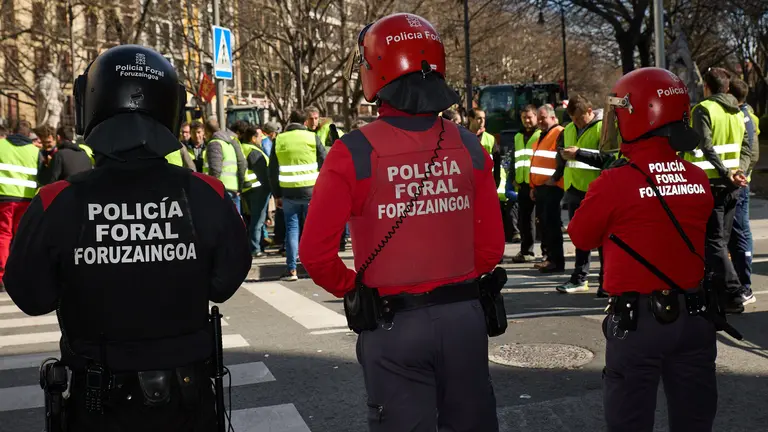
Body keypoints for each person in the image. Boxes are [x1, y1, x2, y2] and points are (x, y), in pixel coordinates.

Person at [2, 45, 251, 431]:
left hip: (98, 405)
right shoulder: (208, 194)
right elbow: (224, 282)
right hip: (188, 404)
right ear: (172, 106)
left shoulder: (56, 201)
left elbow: (31, 295)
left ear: (89, 104)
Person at [299, 13, 504, 431]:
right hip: (465, 318)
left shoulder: (352, 151)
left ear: (376, 71)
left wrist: (354, 289)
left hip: (393, 324)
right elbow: (490, 249)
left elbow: (315, 255)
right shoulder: (468, 144)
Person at [568, 67, 717, 432]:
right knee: (695, 419)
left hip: (638, 324)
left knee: (629, 420)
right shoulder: (697, 177)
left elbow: (581, 237)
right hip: (695, 316)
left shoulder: (614, 182)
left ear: (637, 116)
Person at [683, 67, 753, 313]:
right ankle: (724, 296)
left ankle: (734, 291)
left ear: (707, 88)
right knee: (720, 242)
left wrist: (725, 172)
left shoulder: (703, 109)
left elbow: (705, 145)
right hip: (733, 185)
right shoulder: (737, 112)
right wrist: (739, 171)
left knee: (713, 243)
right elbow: (747, 147)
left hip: (711, 184)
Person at [551, 94, 605, 295]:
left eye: (579, 118)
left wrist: (579, 153)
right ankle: (579, 278)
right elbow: (562, 157)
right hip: (574, 189)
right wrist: (559, 169)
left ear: (589, 111)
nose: (576, 122)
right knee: (580, 237)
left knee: (600, 238)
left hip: (596, 190)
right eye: (573, 119)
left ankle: (605, 281)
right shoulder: (569, 129)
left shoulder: (602, 128)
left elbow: (609, 159)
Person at [269, 110, 327, 281]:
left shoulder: (279, 139)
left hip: (288, 193)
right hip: (311, 191)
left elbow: (272, 170)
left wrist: (277, 194)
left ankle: (292, 270)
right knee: (312, 230)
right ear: (304, 122)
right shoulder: (311, 137)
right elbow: (325, 161)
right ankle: (314, 267)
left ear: (289, 121)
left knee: (292, 230)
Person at [728, 78, 760, 303]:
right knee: (737, 233)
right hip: (739, 182)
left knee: (740, 233)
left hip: (739, 184)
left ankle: (744, 286)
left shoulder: (744, 116)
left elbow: (752, 151)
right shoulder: (744, 113)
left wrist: (741, 173)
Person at [0, 121, 39, 291]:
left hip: (4, 197)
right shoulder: (35, 151)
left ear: (12, 132)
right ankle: (22, 273)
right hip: (26, 198)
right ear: (28, 134)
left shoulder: (1, 145)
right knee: (22, 237)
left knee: (3, 235)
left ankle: (1, 276)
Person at [530, 104, 565, 273]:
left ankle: (556, 261)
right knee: (544, 224)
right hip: (541, 188)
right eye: (539, 118)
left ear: (553, 117)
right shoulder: (541, 136)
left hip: (552, 187)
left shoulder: (559, 132)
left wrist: (555, 178)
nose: (540, 121)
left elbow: (562, 159)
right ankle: (550, 258)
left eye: (543, 117)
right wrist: (533, 186)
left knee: (551, 225)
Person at [510, 105, 541, 263]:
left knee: (540, 219)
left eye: (529, 117)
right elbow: (515, 158)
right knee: (524, 220)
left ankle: (546, 253)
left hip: (538, 183)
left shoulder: (540, 135)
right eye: (524, 118)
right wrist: (513, 177)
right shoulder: (518, 136)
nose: (527, 120)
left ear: (536, 117)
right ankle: (526, 251)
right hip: (523, 184)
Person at [240, 125, 271, 257]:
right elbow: (262, 174)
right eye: (259, 136)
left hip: (248, 188)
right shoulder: (254, 152)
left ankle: (256, 246)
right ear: (253, 138)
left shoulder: (243, 148)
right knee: (258, 220)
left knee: (252, 219)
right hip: (258, 189)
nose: (261, 139)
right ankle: (256, 249)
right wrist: (271, 188)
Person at [203, 119, 242, 211]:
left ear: (207, 131)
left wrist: (211, 188)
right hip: (232, 188)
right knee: (235, 221)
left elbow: (215, 170)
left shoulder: (214, 144)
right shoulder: (228, 143)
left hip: (220, 189)